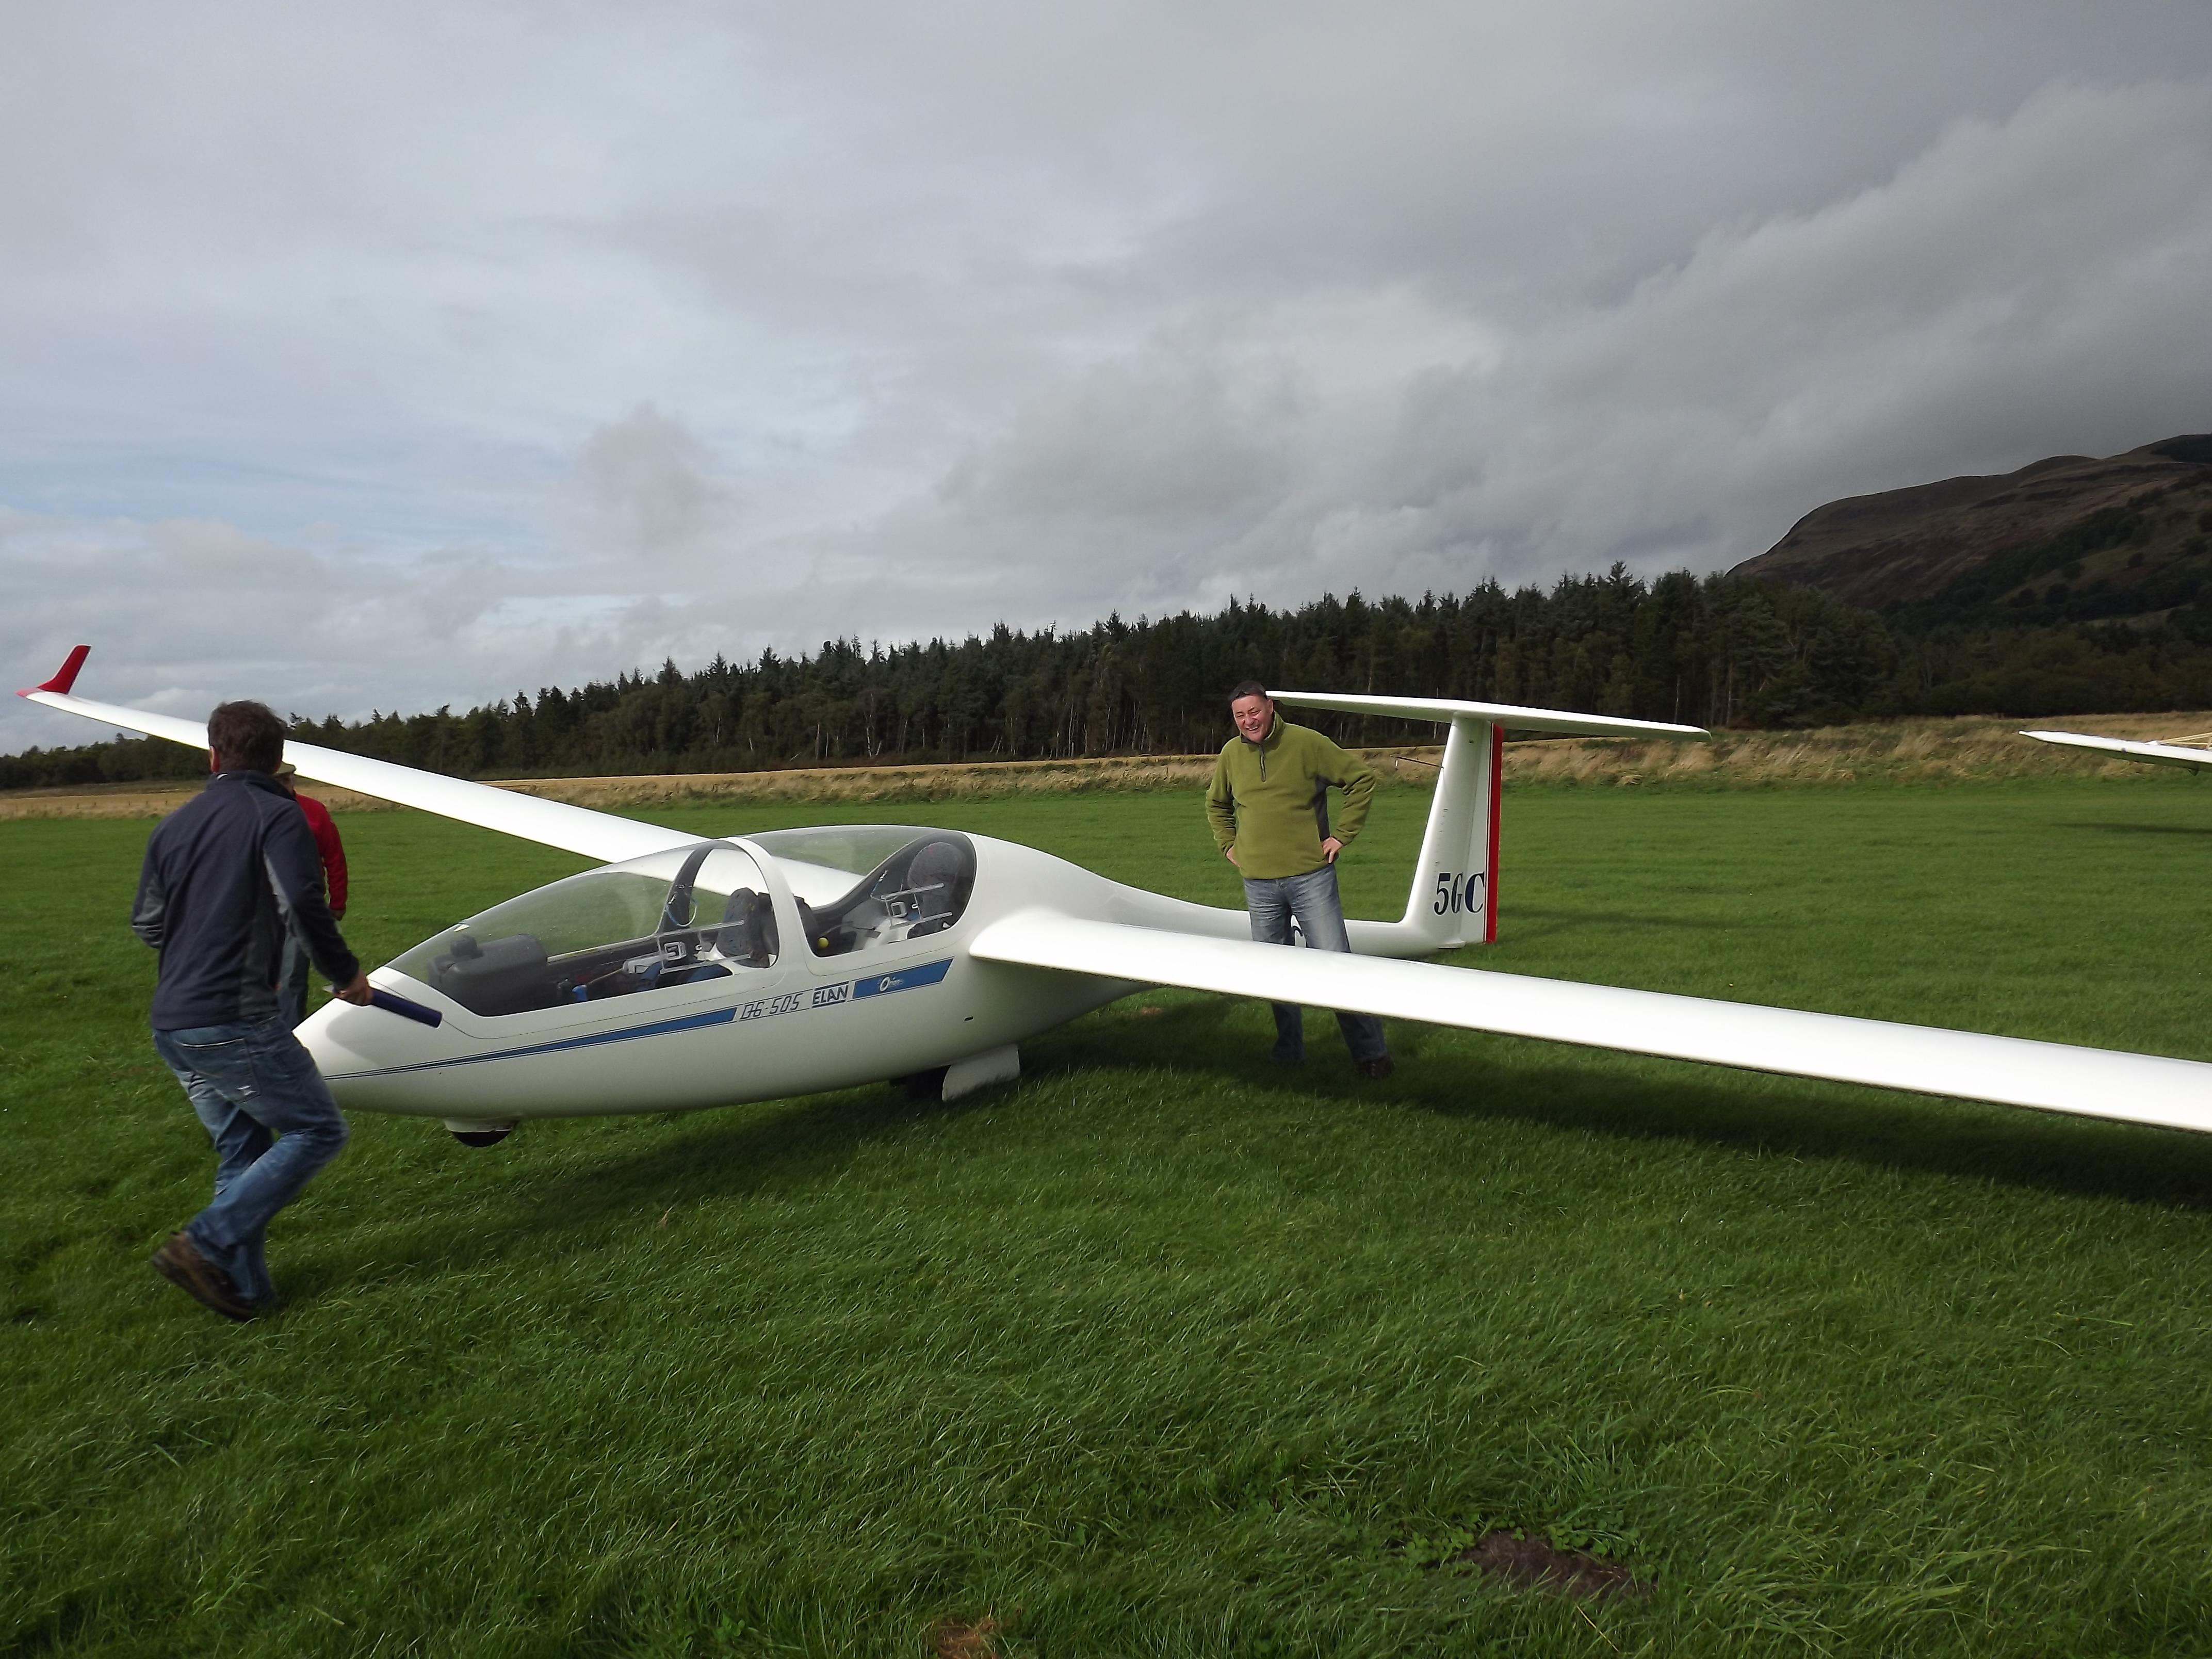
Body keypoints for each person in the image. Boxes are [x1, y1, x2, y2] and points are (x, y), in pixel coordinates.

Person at [132, 700, 373, 1321]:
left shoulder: (172, 825)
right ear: (277, 760)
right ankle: (205, 1242)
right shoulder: (278, 812)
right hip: (233, 1018)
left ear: (214, 755)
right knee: (318, 1130)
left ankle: (248, 1296)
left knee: (244, 1152)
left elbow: (149, 924)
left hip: (173, 1023)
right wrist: (345, 975)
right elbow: (301, 900)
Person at [1205, 681, 1393, 1079]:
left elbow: (1361, 780)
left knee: (1336, 964)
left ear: (1270, 708)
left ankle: (1371, 1056)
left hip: (1311, 877)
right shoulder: (1231, 754)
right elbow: (1216, 803)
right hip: (1258, 881)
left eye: (1254, 712)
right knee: (1275, 973)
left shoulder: (1307, 743)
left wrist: (1341, 834)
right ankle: (1289, 1052)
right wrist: (1228, 845)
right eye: (1240, 716)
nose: (1248, 721)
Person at [273, 761, 349, 1029]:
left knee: (293, 975)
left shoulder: (314, 811)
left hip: (304, 905)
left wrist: (338, 901)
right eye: (278, 781)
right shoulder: (252, 812)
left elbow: (334, 857)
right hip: (261, 909)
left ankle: (290, 1033)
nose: (285, 785)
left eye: (288, 780)